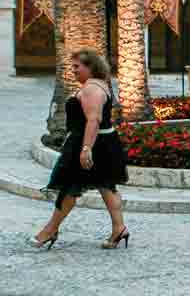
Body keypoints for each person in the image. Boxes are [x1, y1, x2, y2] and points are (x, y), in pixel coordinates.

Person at [32, 49, 129, 250]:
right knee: (106, 186)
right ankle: (119, 228)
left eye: (77, 66)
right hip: (104, 142)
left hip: (92, 144)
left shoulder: (91, 89)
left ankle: (49, 231)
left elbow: (93, 120)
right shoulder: (100, 85)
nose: (73, 70)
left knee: (69, 188)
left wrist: (86, 149)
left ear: (90, 67)